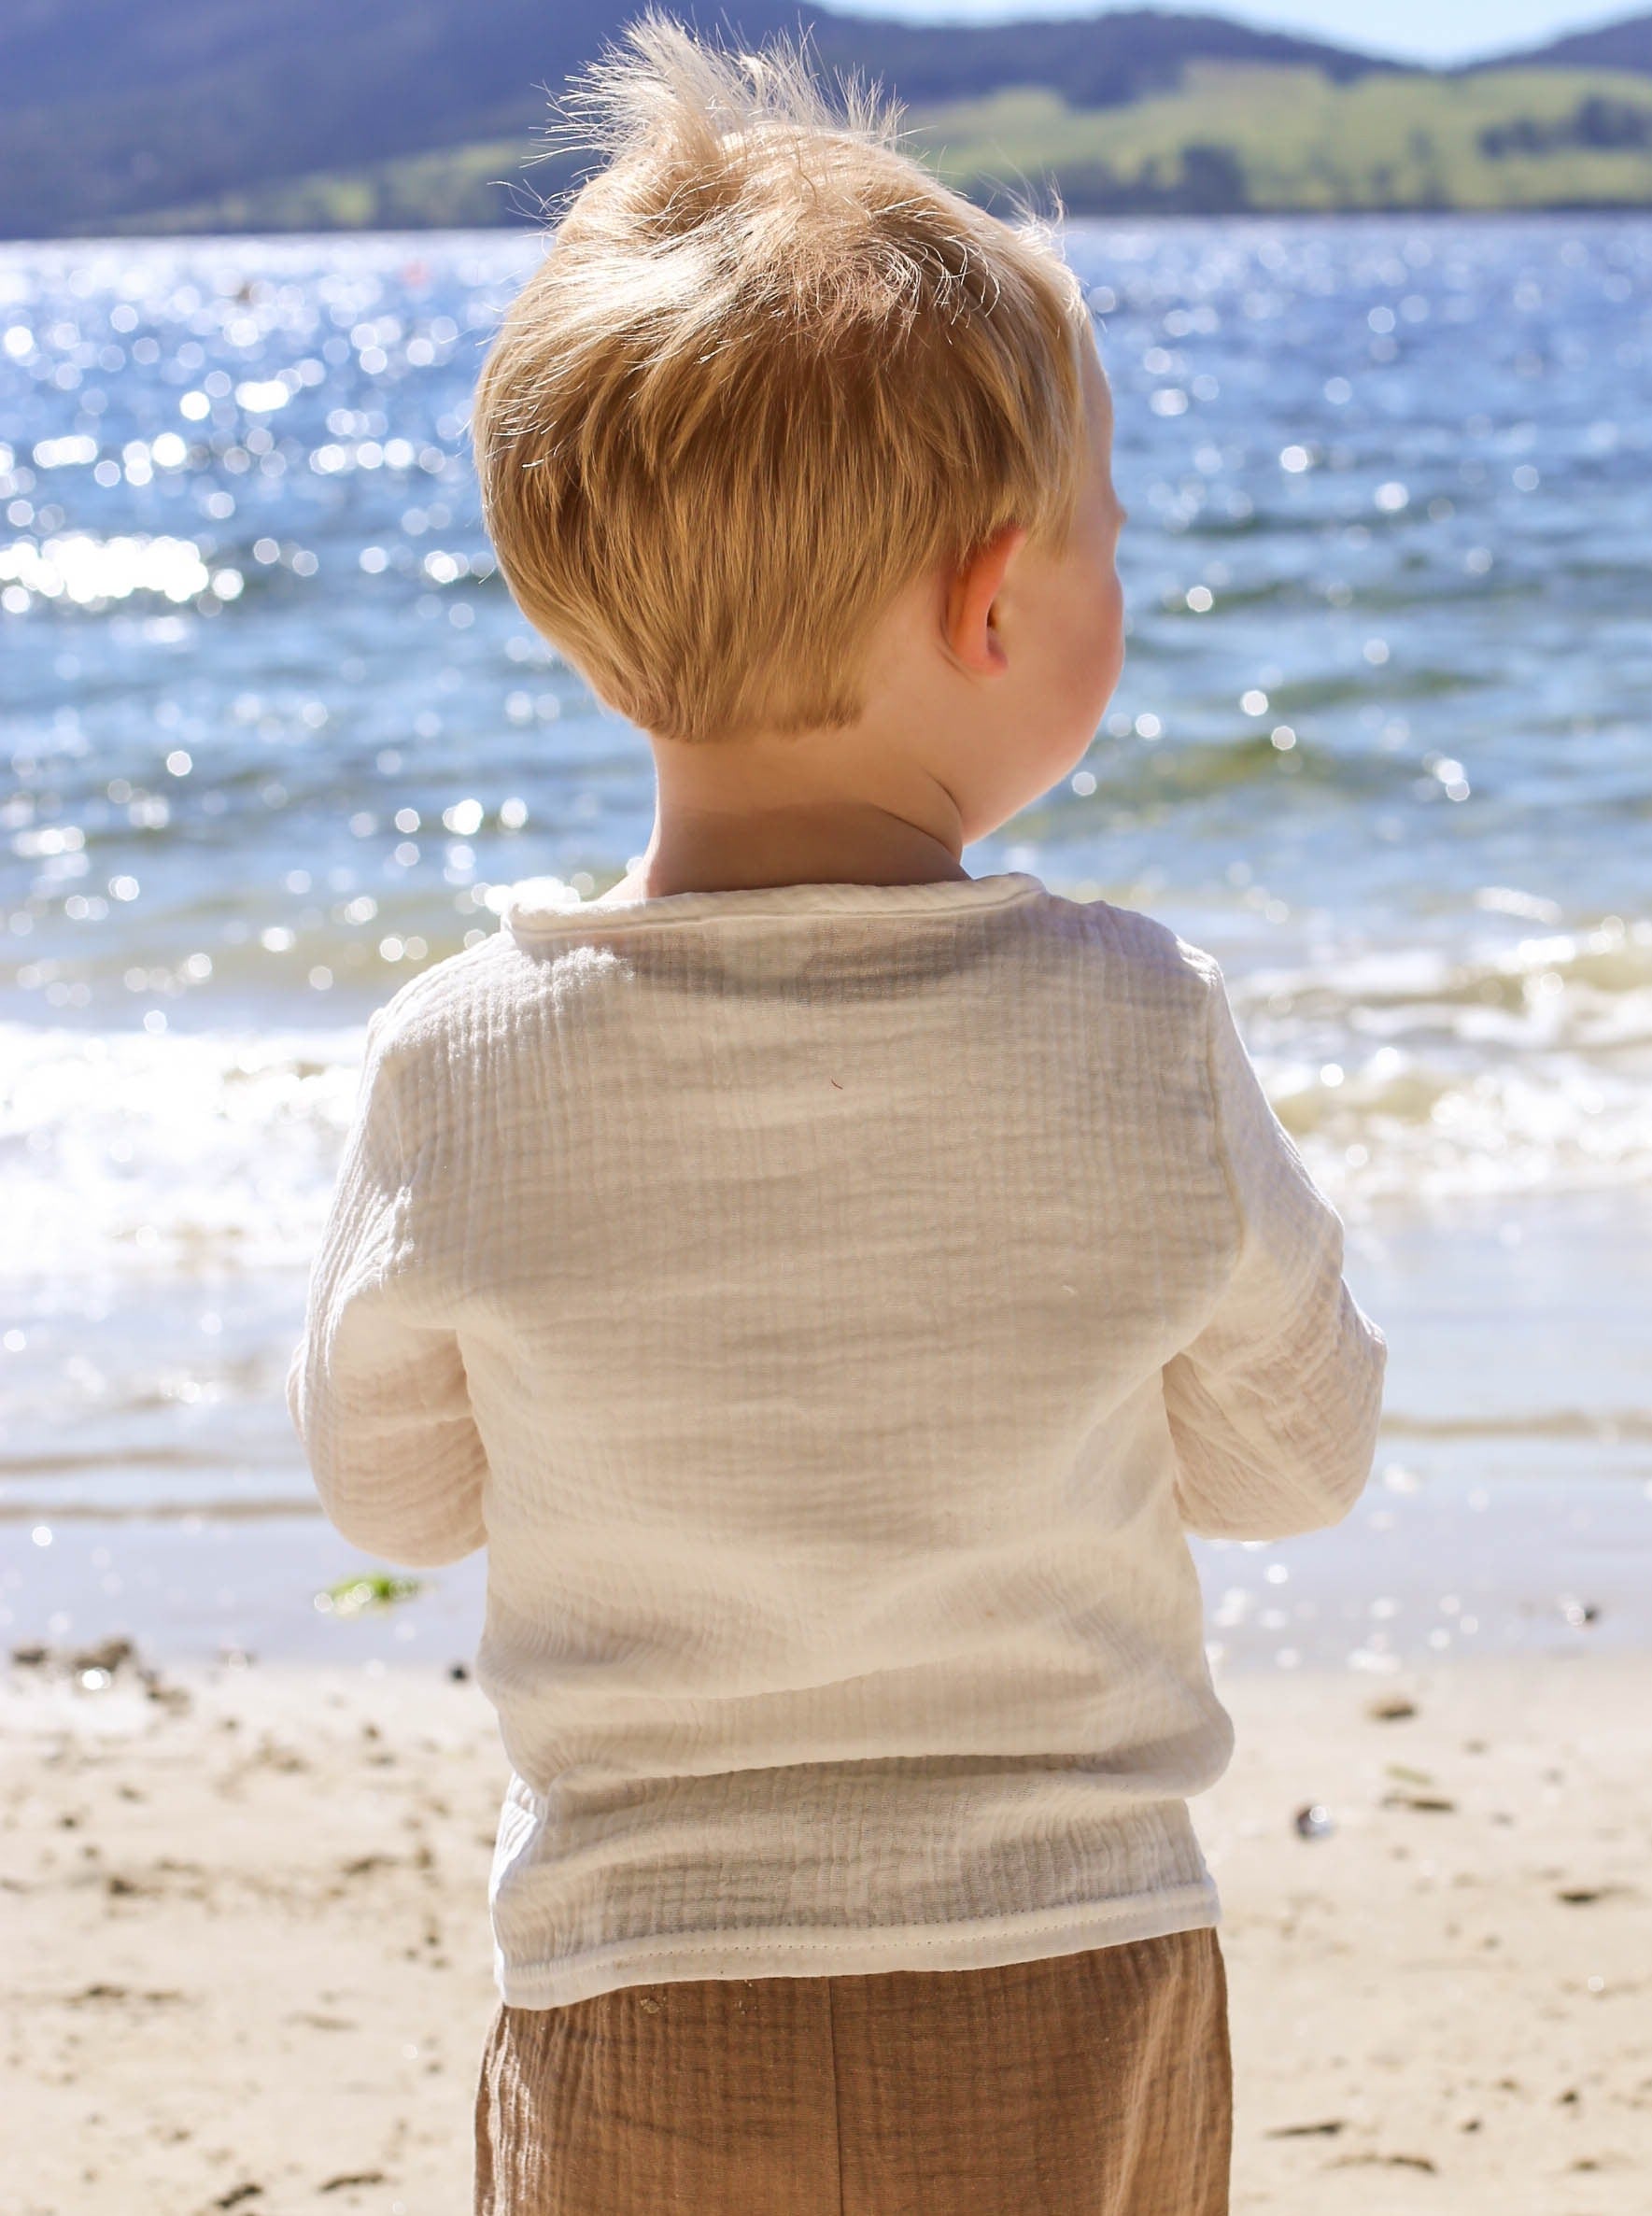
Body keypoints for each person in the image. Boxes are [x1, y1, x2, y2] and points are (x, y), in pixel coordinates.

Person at [289, 19, 1385, 2211]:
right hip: (1066, 1964)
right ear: (994, 602)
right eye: (1102, 540)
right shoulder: (1132, 1026)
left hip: (638, 1980)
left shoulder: (464, 1058)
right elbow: (1293, 1461)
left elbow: (392, 1473)